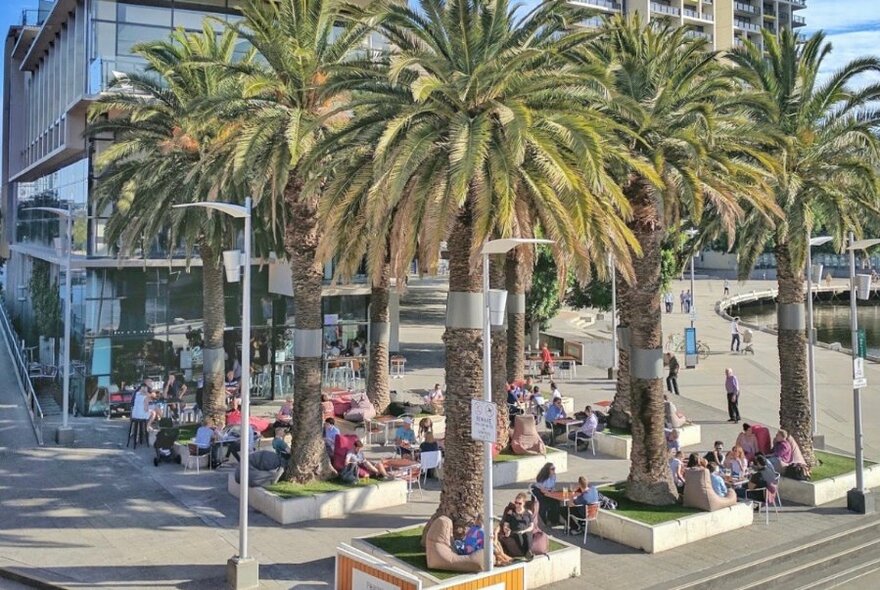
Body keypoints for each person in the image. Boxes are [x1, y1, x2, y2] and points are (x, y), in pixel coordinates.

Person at [503, 492, 536, 559]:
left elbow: (531, 526)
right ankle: (527, 554)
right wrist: (506, 530)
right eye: (516, 502)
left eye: (519, 503)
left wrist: (524, 531)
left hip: (526, 530)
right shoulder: (511, 512)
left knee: (527, 534)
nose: (517, 505)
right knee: (518, 534)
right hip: (515, 531)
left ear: (524, 503)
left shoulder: (528, 513)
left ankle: (527, 553)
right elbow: (506, 524)